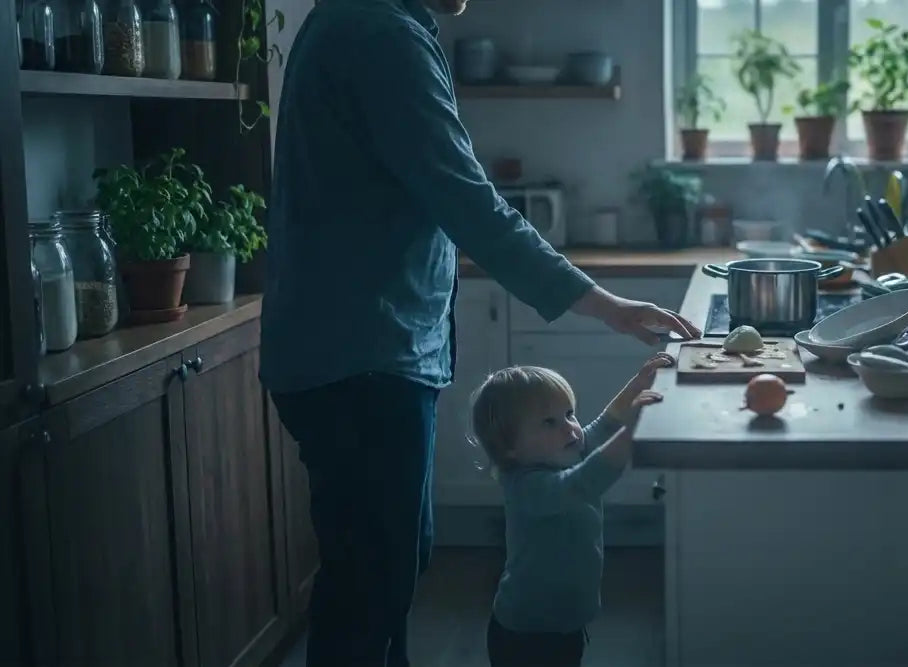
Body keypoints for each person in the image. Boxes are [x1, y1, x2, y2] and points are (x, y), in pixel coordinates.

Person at [259, 0, 701, 663]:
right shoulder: (380, 33)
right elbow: (472, 205)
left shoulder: (361, 21)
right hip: (362, 357)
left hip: (357, 352)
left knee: (385, 568)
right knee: (371, 581)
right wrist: (606, 305)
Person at [469, 353, 673, 666]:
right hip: (527, 637)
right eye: (549, 422)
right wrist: (633, 432)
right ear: (508, 446)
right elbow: (583, 482)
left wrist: (638, 383)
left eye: (569, 414)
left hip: (564, 626)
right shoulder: (527, 487)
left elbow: (601, 426)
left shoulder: (559, 454)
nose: (570, 429)